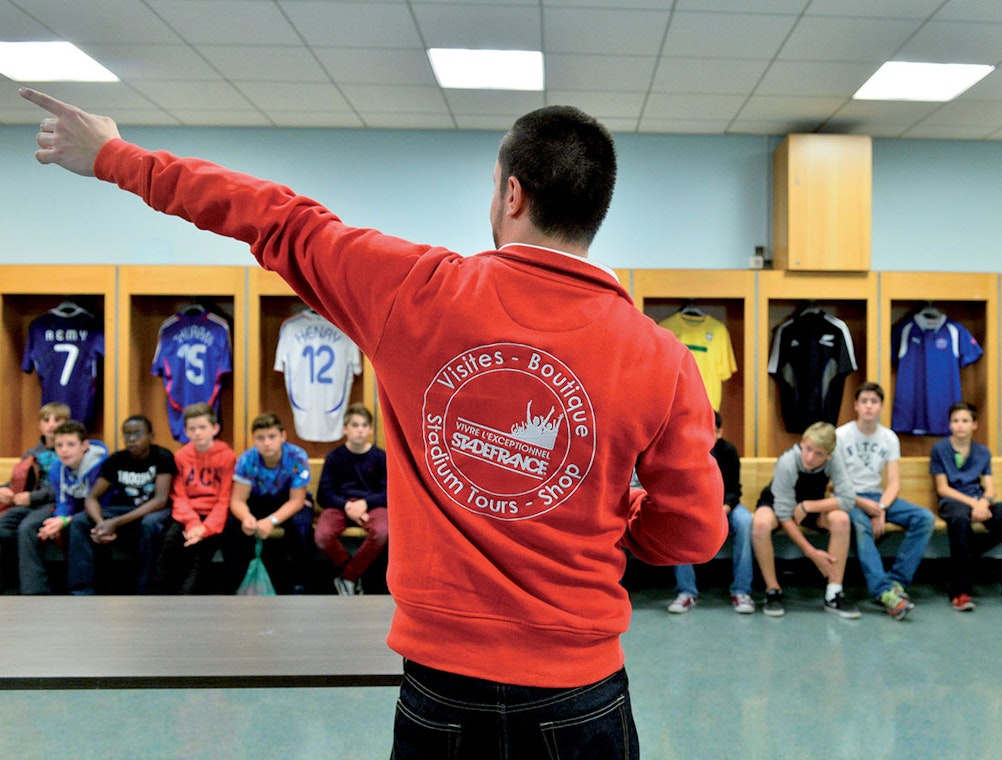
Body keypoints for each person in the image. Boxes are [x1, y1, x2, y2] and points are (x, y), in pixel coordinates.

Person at [23, 88, 726, 757]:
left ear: (513, 193)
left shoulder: (414, 291)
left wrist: (116, 157)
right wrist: (614, 504)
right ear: (595, 210)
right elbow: (689, 534)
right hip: (582, 692)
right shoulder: (662, 357)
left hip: (444, 684)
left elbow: (274, 216)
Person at [834, 382, 934, 620]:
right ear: (856, 406)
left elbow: (894, 483)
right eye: (864, 401)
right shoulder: (841, 435)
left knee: (924, 518)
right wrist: (862, 504)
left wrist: (881, 508)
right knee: (861, 526)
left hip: (878, 497)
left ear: (881, 407)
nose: (869, 406)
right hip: (849, 499)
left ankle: (897, 583)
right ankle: (883, 592)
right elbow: (835, 483)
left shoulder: (889, 438)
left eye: (874, 402)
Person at [930, 402, 1002, 611]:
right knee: (959, 521)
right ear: (949, 425)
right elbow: (943, 488)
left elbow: (990, 489)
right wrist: (974, 504)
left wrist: (984, 502)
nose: (960, 426)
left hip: (979, 499)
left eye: (965, 421)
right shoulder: (939, 449)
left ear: (974, 425)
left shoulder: (982, 452)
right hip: (953, 501)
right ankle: (961, 592)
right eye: (955, 421)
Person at [753, 422, 858, 618]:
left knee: (841, 519)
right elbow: (784, 514)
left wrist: (809, 506)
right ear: (802, 443)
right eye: (808, 449)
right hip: (777, 504)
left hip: (809, 505)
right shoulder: (788, 461)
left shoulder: (834, 460)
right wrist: (811, 552)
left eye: (818, 454)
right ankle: (772, 590)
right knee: (759, 524)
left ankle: (833, 593)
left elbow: (848, 499)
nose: (810, 457)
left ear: (828, 455)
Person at [70, 415, 176, 594]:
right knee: (80, 521)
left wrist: (116, 523)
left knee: (150, 524)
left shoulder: (162, 456)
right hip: (124, 511)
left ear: (151, 436)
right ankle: (82, 591)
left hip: (154, 511)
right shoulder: (117, 459)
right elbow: (91, 497)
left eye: (137, 434)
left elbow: (160, 500)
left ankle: (146, 590)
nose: (131, 439)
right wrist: (100, 523)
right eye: (127, 435)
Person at [666, 411, 754, 614]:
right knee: (679, 521)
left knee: (746, 521)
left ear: (720, 432)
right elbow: (683, 489)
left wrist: (723, 509)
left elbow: (735, 490)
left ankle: (741, 591)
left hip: (726, 507)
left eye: (712, 431)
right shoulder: (686, 452)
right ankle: (687, 592)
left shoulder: (729, 451)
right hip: (697, 508)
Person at [151, 402, 236, 594]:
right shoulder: (181, 456)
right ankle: (157, 597)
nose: (197, 433)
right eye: (192, 429)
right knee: (169, 545)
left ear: (215, 428)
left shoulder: (228, 456)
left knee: (200, 556)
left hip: (214, 518)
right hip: (187, 516)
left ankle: (187, 597)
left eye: (203, 427)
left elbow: (225, 499)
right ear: (186, 432)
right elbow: (178, 496)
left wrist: (204, 530)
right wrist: (192, 524)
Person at [225, 411, 313, 594]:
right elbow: (237, 500)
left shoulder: (297, 456)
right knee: (233, 526)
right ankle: (235, 583)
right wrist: (246, 517)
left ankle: (300, 583)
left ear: (283, 436)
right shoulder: (247, 460)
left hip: (289, 501)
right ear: (254, 440)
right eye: (261, 438)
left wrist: (271, 521)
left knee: (302, 526)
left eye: (272, 436)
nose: (267, 443)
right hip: (258, 502)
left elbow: (297, 500)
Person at [16, 419, 107, 594]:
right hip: (80, 509)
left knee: (77, 524)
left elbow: (103, 503)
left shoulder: (101, 465)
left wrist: (66, 520)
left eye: (70, 444)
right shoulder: (57, 468)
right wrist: (58, 519)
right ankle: (37, 592)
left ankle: (83, 591)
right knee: (49, 525)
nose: (64, 450)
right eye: (59, 445)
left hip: (104, 509)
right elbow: (64, 501)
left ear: (84, 446)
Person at [315, 403, 388, 596]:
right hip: (340, 504)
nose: (360, 430)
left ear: (371, 429)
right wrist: (347, 506)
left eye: (364, 425)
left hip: (371, 505)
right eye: (355, 425)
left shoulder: (380, 457)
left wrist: (365, 504)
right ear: (345, 429)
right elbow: (324, 493)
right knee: (322, 535)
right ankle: (352, 572)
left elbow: (388, 492)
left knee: (382, 532)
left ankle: (348, 577)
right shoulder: (334, 456)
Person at [0, 402, 69, 593]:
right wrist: (4, 491)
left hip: (54, 504)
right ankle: (7, 585)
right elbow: (18, 480)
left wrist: (32, 496)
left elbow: (66, 486)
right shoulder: (32, 453)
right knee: (3, 526)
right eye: (47, 420)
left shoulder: (67, 451)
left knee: (27, 528)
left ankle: (34, 590)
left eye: (58, 420)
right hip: (27, 503)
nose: (52, 425)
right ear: (40, 425)